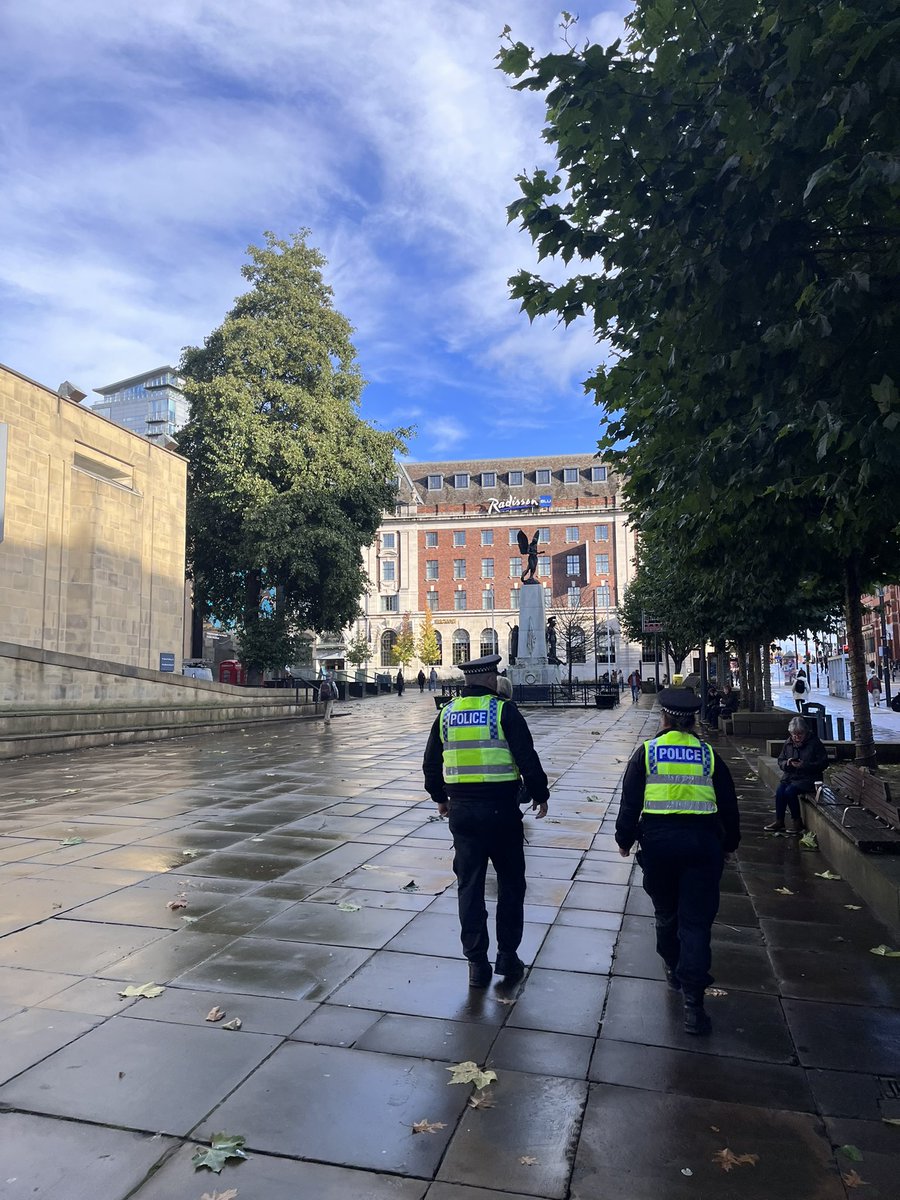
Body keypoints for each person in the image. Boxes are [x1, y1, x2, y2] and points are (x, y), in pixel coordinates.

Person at [616, 686, 740, 1036]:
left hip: (659, 845)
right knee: (697, 925)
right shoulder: (708, 755)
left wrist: (624, 839)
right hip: (702, 846)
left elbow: (630, 803)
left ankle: (672, 965)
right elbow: (729, 807)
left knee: (666, 914)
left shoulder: (648, 753)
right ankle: (693, 1007)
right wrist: (730, 843)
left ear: (664, 718)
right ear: (692, 721)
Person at [422, 653, 549, 988]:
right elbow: (526, 756)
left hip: (462, 813)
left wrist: (439, 798)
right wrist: (540, 793)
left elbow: (431, 762)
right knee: (511, 884)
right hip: (501, 812)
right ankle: (508, 956)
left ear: (467, 681)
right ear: (492, 679)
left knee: (470, 886)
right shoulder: (503, 710)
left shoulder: (446, 714)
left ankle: (477, 964)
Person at [767, 716, 828, 834]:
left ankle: (797, 821)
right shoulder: (788, 743)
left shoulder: (814, 743)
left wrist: (804, 765)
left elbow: (823, 763)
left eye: (800, 734)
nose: (796, 737)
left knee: (790, 792)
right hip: (791, 776)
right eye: (794, 735)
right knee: (780, 791)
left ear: (805, 733)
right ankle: (779, 820)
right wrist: (788, 763)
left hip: (810, 778)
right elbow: (781, 760)